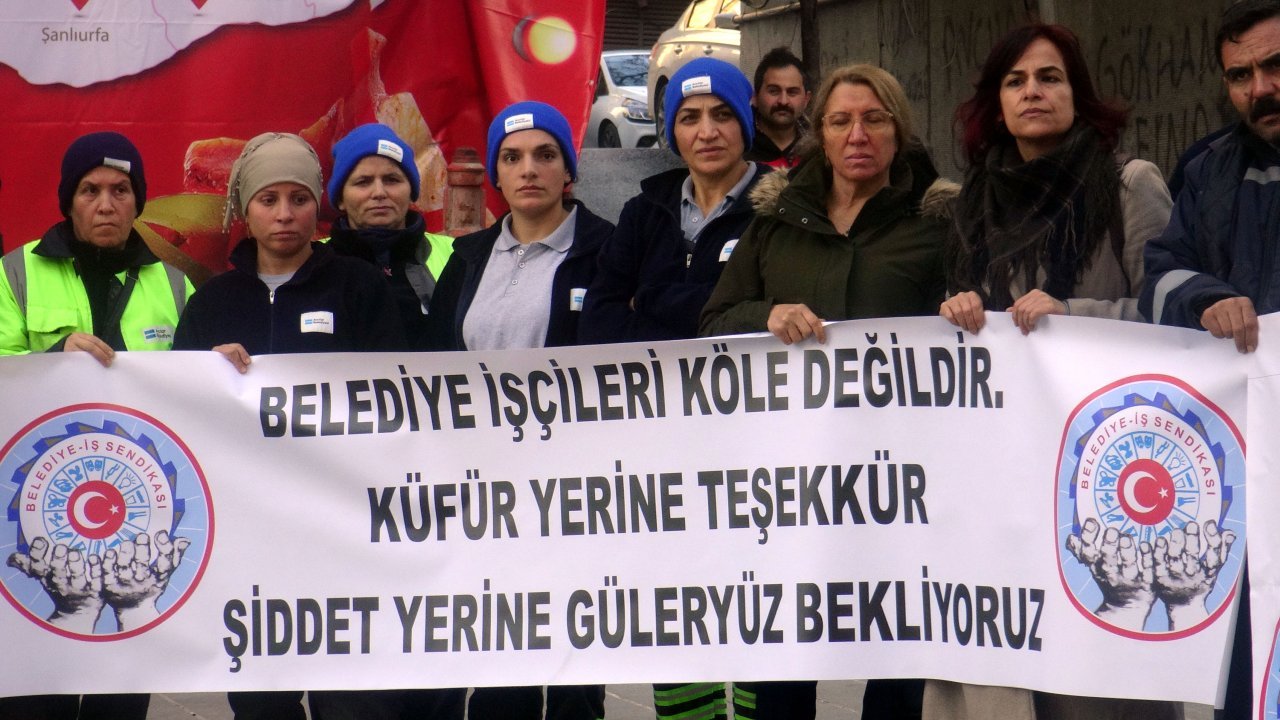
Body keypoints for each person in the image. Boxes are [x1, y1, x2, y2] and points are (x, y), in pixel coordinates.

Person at [935, 23, 1177, 720]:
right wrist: (955, 313)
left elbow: (1174, 322)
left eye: (1050, 78)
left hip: (1105, 487)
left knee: (1098, 691)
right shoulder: (970, 202)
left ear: (1079, 94)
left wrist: (1076, 312)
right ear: (995, 102)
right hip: (1002, 484)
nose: (1033, 92)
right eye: (1016, 81)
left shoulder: (1129, 185)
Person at [701, 63, 952, 720]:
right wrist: (767, 316)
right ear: (820, 133)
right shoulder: (777, 218)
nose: (858, 133)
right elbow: (713, 322)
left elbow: (967, 333)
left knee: (896, 663)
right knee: (788, 661)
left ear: (898, 130)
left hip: (898, 486)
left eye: (874, 118)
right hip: (794, 484)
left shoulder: (936, 222)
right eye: (841, 120)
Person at [172, 133, 402, 720]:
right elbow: (176, 416)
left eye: (298, 198)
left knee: (352, 701)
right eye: (268, 199)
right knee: (261, 704)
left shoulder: (360, 287)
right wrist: (204, 377)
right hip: (249, 540)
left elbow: (401, 403)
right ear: (243, 210)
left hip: (344, 533)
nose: (283, 214)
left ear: (317, 207)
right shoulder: (212, 303)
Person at [580, 55, 766, 720]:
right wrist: (700, 309)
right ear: (671, 130)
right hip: (663, 451)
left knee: (752, 602)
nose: (706, 130)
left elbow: (760, 316)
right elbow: (600, 321)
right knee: (680, 600)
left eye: (722, 115)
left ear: (745, 124)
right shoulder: (645, 210)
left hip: (754, 451)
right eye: (689, 118)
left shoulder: (778, 210)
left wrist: (653, 303)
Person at [423, 101, 613, 720]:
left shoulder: (607, 251)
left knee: (573, 671)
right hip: (488, 496)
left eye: (544, 154)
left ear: (568, 171)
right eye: (512, 158)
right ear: (497, 179)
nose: (528, 169)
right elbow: (434, 363)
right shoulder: (469, 256)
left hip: (576, 496)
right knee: (501, 663)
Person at [0, 131, 191, 720]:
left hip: (134, 514)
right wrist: (53, 353)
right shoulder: (14, 274)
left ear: (138, 202)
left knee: (119, 687)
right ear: (68, 200)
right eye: (90, 190)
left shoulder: (176, 284)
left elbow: (194, 394)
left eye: (121, 190)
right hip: (33, 508)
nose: (106, 203)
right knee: (35, 685)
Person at [1142, 2, 1280, 717]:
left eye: (1275, 66)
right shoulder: (1206, 168)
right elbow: (1158, 273)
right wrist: (1205, 298)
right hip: (1243, 478)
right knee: (1248, 676)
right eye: (1241, 75)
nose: (1261, 88)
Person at [327, 122, 454, 349]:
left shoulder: (457, 255)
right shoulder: (313, 261)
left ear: (412, 192)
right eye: (363, 182)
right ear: (340, 199)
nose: (379, 193)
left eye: (392, 180)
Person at [744, 47, 812, 169]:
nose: (783, 101)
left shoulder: (818, 149)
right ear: (755, 97)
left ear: (806, 99)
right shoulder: (739, 147)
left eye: (792, 92)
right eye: (774, 91)